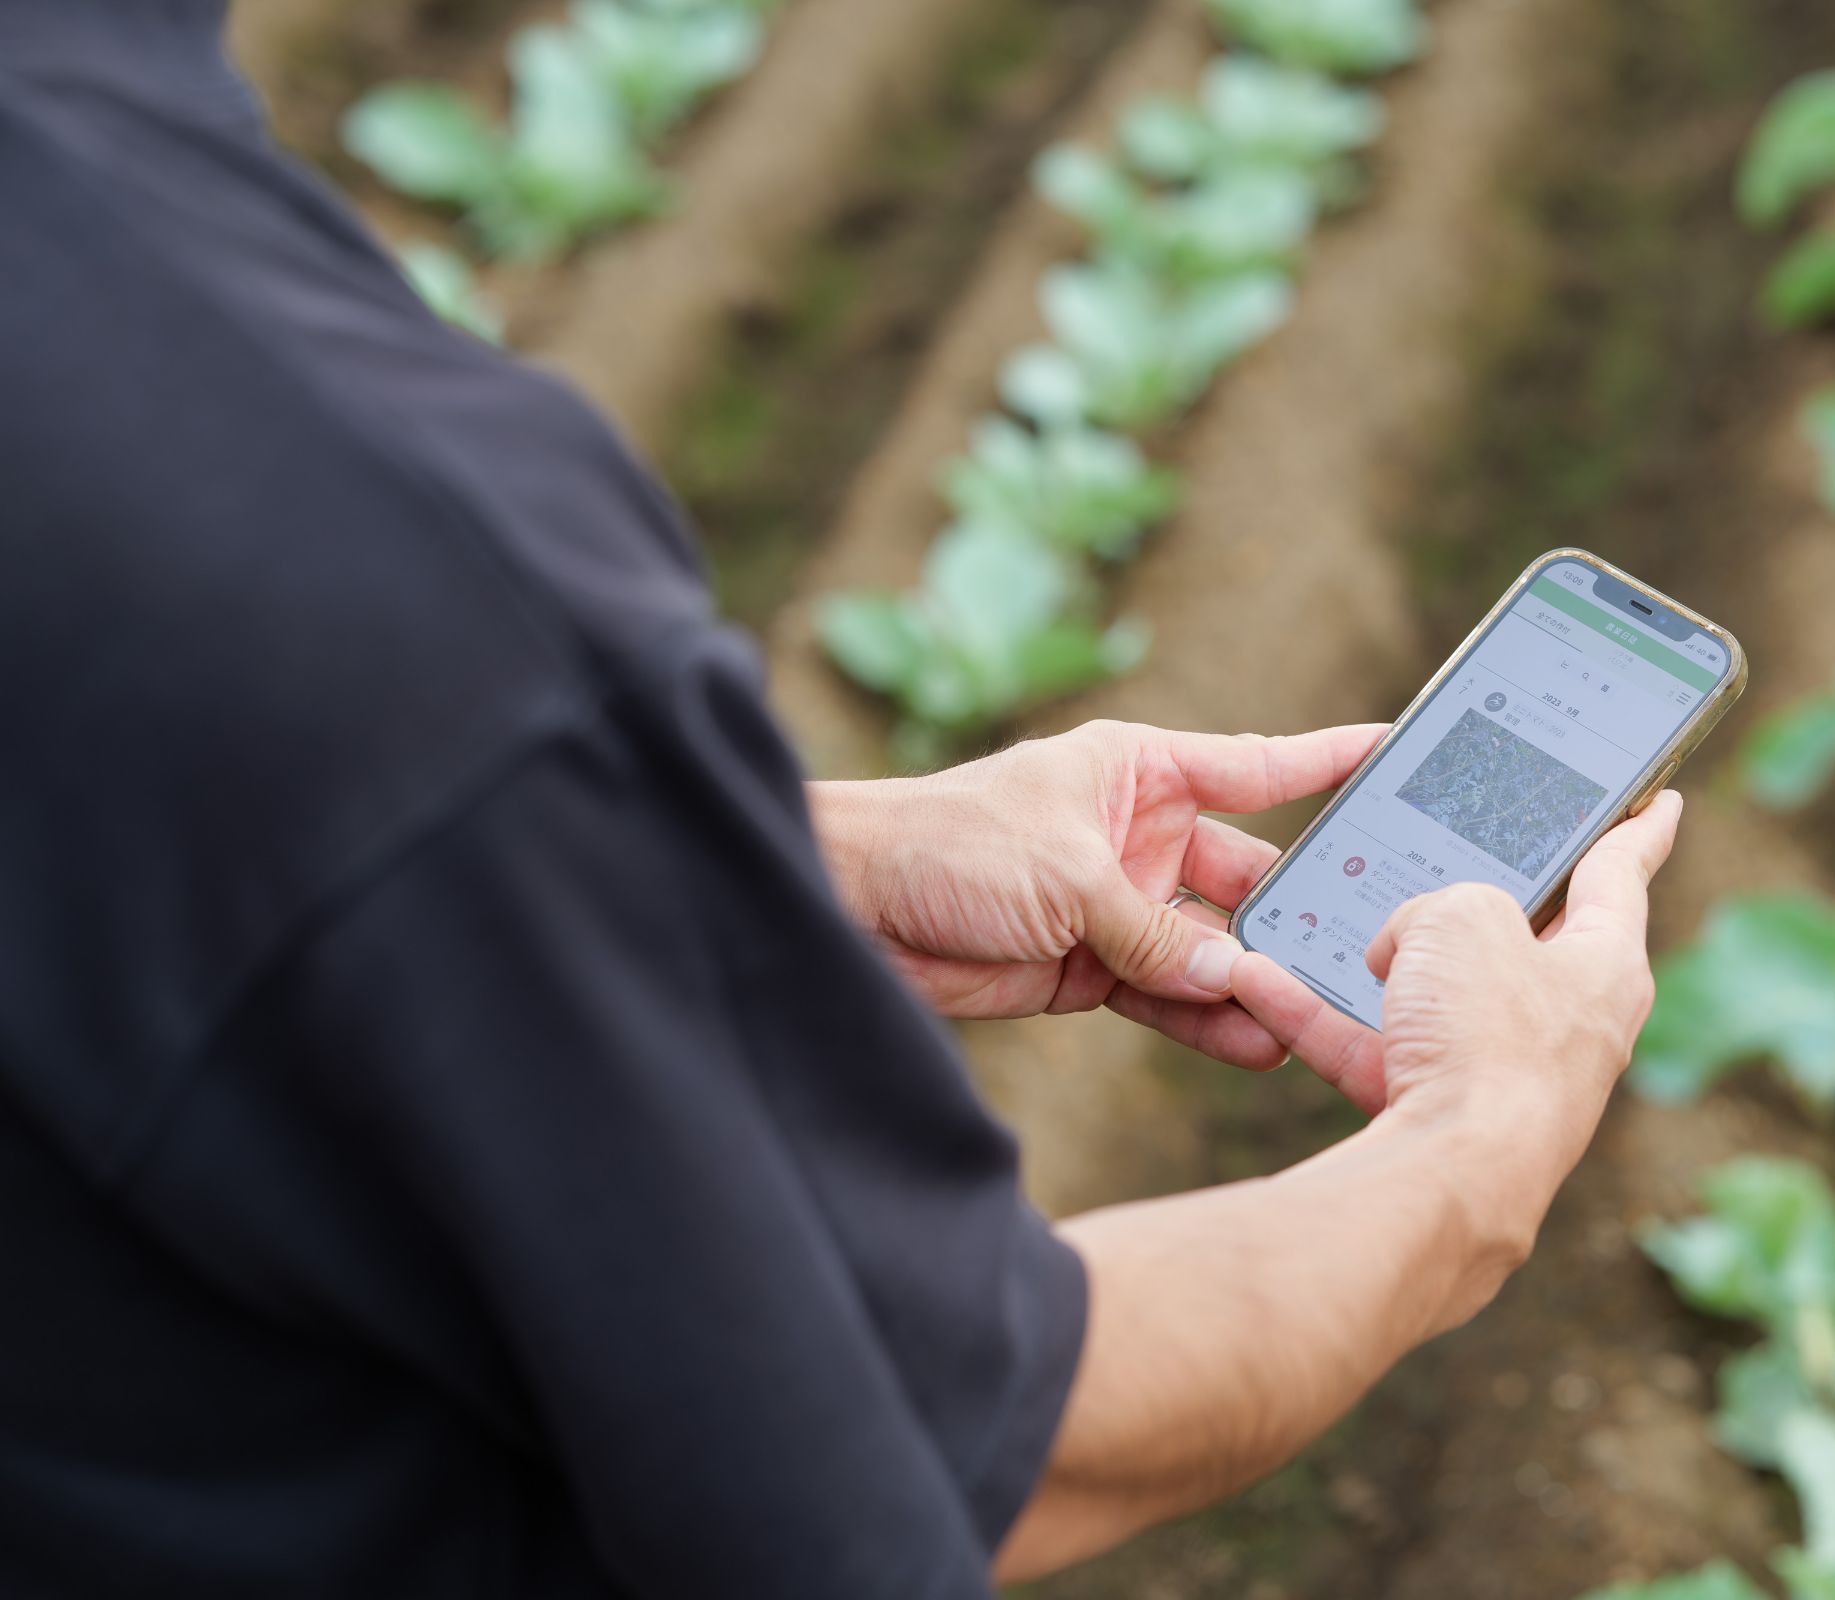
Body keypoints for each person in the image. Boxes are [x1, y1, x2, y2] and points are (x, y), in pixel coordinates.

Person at [0, 2, 1679, 1595]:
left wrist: (773, 858)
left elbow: (182, 848)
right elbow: (944, 1452)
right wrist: (1476, 1156)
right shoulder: (394, 582)